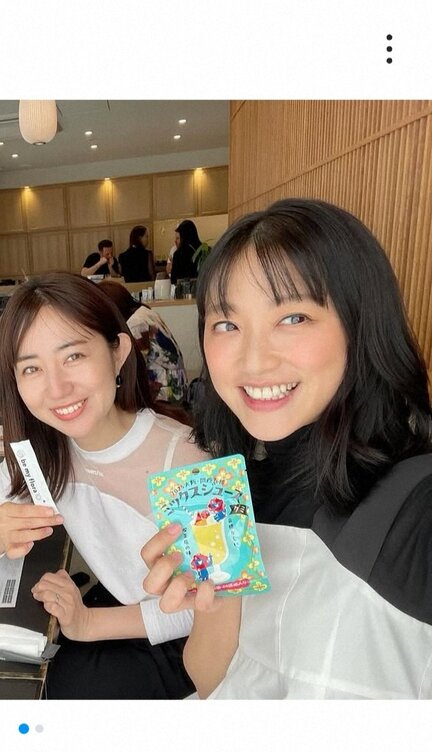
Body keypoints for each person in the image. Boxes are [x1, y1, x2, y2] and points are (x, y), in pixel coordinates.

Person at [142, 198, 432, 699]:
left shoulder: (418, 503)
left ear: (361, 323)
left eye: (294, 317)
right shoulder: (229, 489)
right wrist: (218, 590)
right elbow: (211, 682)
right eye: (227, 325)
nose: (253, 361)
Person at [0, 272, 209, 699]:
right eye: (32, 368)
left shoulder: (186, 458)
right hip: (113, 608)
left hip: (182, 639)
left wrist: (89, 624)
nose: (57, 388)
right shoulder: (43, 447)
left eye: (74, 356)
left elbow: (212, 606)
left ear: (118, 352)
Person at [97, 280, 187, 404]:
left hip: (166, 393)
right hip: (177, 384)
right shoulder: (144, 313)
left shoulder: (136, 325)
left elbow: (128, 365)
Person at [170, 220, 201, 285]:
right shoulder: (203, 251)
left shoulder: (178, 255)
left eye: (178, 238)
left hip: (183, 289)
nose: (175, 241)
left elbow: (173, 280)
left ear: (183, 237)